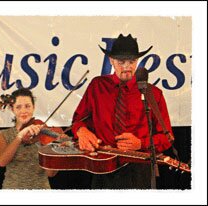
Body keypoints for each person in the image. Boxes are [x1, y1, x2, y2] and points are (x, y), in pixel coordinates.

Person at [71, 34, 173, 189]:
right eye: (121, 61)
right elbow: (78, 120)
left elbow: (167, 138)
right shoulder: (97, 86)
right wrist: (81, 131)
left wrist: (141, 143)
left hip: (139, 170)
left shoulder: (153, 94)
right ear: (111, 61)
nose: (127, 66)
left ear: (137, 61)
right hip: (102, 167)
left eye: (131, 61)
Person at [0, 88, 57, 189]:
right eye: (18, 107)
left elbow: (51, 174)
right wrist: (19, 137)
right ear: (12, 109)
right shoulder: (3, 134)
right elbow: (1, 162)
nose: (23, 111)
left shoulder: (44, 135)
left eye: (28, 106)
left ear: (33, 107)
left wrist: (51, 148)